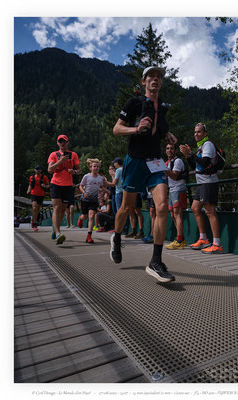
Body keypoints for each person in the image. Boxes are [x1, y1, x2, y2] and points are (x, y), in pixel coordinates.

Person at [110, 65, 178, 283]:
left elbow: (160, 130)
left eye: (159, 77)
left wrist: (168, 135)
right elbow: (116, 129)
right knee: (126, 207)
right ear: (144, 82)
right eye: (151, 76)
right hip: (135, 161)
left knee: (161, 207)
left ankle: (156, 261)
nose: (155, 79)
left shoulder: (163, 109)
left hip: (156, 162)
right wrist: (135, 129)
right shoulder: (134, 103)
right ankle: (117, 236)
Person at [180, 123, 224, 253]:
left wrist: (191, 153)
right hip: (202, 183)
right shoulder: (201, 147)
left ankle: (217, 244)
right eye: (195, 132)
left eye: (199, 132)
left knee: (210, 211)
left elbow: (204, 163)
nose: (196, 134)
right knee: (195, 208)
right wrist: (188, 156)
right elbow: (195, 165)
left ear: (205, 133)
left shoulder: (208, 145)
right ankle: (203, 239)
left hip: (209, 182)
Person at [47, 135, 81, 244]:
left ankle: (55, 228)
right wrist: (60, 161)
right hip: (56, 183)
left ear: (67, 142)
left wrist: (74, 172)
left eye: (64, 142)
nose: (62, 144)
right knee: (56, 207)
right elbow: (50, 170)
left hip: (67, 185)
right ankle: (58, 233)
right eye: (60, 142)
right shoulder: (53, 155)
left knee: (63, 209)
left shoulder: (73, 155)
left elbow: (79, 170)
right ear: (57, 143)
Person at [164, 143, 188, 250]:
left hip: (178, 189)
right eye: (167, 148)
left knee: (177, 214)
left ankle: (179, 240)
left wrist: (163, 170)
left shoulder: (177, 161)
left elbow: (174, 176)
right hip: (171, 190)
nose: (169, 150)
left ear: (175, 151)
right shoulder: (167, 163)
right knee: (173, 215)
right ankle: (180, 238)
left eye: (171, 148)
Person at [77, 158, 106, 244]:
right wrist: (84, 192)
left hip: (94, 200)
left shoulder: (101, 178)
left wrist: (104, 191)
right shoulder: (86, 176)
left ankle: (89, 236)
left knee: (91, 215)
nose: (96, 168)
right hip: (85, 199)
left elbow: (101, 187)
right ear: (90, 167)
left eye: (97, 167)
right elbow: (80, 186)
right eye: (94, 166)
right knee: (85, 216)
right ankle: (81, 218)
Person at [27, 165, 49, 231]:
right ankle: (34, 224)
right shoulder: (31, 177)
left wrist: (44, 186)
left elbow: (48, 185)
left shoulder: (44, 177)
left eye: (39, 169)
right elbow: (30, 185)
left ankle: (33, 220)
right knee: (34, 208)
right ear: (34, 170)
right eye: (37, 169)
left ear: (41, 170)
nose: (38, 170)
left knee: (37, 209)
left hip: (41, 195)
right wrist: (28, 190)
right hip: (33, 194)